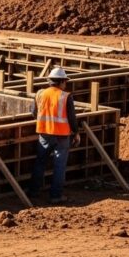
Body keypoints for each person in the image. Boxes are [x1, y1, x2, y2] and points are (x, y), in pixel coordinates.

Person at [29, 67, 80, 205]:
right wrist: (76, 133)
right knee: (59, 166)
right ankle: (55, 196)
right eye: (65, 82)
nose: (66, 84)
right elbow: (72, 118)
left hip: (44, 133)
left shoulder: (40, 93)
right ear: (62, 81)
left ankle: (33, 192)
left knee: (40, 163)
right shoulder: (66, 96)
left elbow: (34, 113)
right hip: (61, 135)